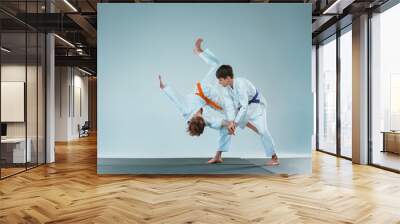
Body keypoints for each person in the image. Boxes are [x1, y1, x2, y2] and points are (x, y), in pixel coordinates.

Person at [159, 38, 236, 163]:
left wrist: (165, 87)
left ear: (192, 118)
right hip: (203, 90)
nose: (199, 113)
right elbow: (216, 121)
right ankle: (218, 156)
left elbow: (175, 98)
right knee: (217, 65)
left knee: (230, 112)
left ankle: (199, 51)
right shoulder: (204, 121)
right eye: (201, 115)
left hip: (205, 93)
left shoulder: (185, 110)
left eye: (198, 114)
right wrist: (228, 124)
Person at [214, 63, 280, 166]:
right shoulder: (226, 88)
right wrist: (231, 122)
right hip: (243, 109)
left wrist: (234, 124)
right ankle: (218, 155)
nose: (219, 82)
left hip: (256, 106)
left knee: (263, 131)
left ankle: (274, 157)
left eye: (220, 80)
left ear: (227, 78)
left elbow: (244, 107)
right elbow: (230, 105)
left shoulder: (241, 84)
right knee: (228, 122)